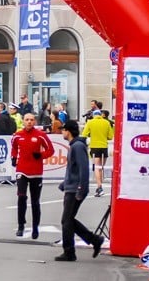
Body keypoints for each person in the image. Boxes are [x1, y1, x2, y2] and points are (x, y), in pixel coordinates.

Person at [54, 119, 104, 262]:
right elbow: (74, 169)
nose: (62, 132)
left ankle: (70, 251)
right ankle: (94, 240)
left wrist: (82, 188)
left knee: (66, 220)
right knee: (68, 220)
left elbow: (83, 169)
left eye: (63, 130)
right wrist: (65, 183)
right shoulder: (75, 146)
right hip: (71, 187)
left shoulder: (77, 146)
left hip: (75, 189)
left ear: (68, 131)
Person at [10, 113, 54, 239]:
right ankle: (21, 225)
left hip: (36, 172)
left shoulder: (41, 135)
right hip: (22, 170)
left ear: (35, 122)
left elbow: (50, 150)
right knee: (21, 197)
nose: (29, 122)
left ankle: (35, 227)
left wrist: (40, 155)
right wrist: (13, 157)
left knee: (35, 201)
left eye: (31, 120)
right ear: (23, 121)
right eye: (27, 120)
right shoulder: (18, 135)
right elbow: (13, 147)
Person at [82, 108, 114, 197]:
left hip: (94, 146)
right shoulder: (106, 122)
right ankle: (100, 187)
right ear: (100, 115)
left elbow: (84, 134)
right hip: (104, 146)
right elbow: (111, 136)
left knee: (96, 167)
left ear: (93, 115)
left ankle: (99, 187)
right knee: (101, 168)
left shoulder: (90, 122)